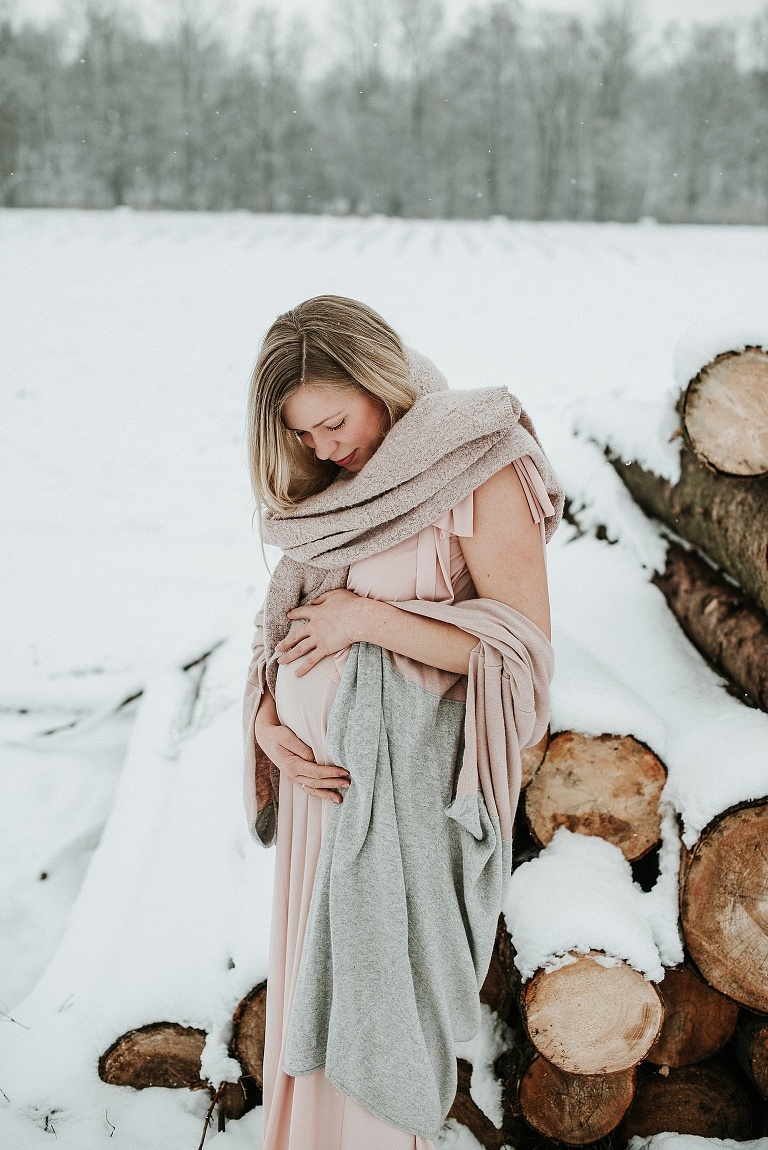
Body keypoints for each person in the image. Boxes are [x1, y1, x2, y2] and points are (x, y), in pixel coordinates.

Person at [242, 295, 562, 1150]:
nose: (323, 448)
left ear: (379, 381)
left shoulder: (481, 463)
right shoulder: (346, 487)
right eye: (303, 436)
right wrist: (271, 721)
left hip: (401, 801)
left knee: (378, 1006)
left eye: (334, 421)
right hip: (324, 797)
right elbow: (278, 632)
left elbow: (522, 654)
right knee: (319, 999)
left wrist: (366, 622)